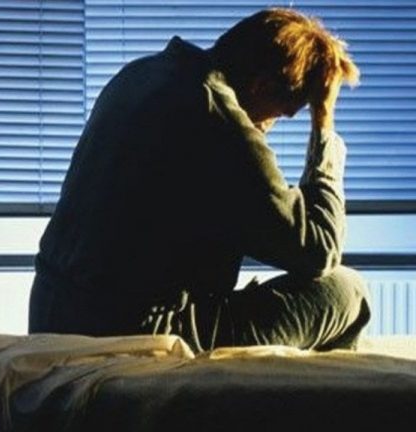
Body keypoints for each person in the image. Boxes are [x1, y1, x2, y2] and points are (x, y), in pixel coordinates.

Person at [28, 8, 371, 353]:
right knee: (347, 291)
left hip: (51, 313)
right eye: (280, 115)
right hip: (136, 329)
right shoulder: (220, 122)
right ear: (262, 86)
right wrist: (323, 125)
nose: (267, 128)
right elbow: (320, 250)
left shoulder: (139, 75)